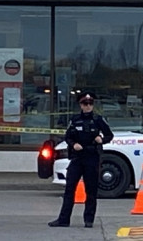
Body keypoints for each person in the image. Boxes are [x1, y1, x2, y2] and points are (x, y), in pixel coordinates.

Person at [48, 91, 113, 228]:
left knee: (91, 191)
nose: (88, 106)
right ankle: (63, 220)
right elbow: (68, 137)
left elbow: (109, 135)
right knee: (69, 189)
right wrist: (73, 145)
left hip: (92, 158)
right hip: (77, 158)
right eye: (85, 103)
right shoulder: (75, 120)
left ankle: (89, 220)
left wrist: (102, 139)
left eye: (90, 103)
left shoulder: (98, 120)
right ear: (81, 105)